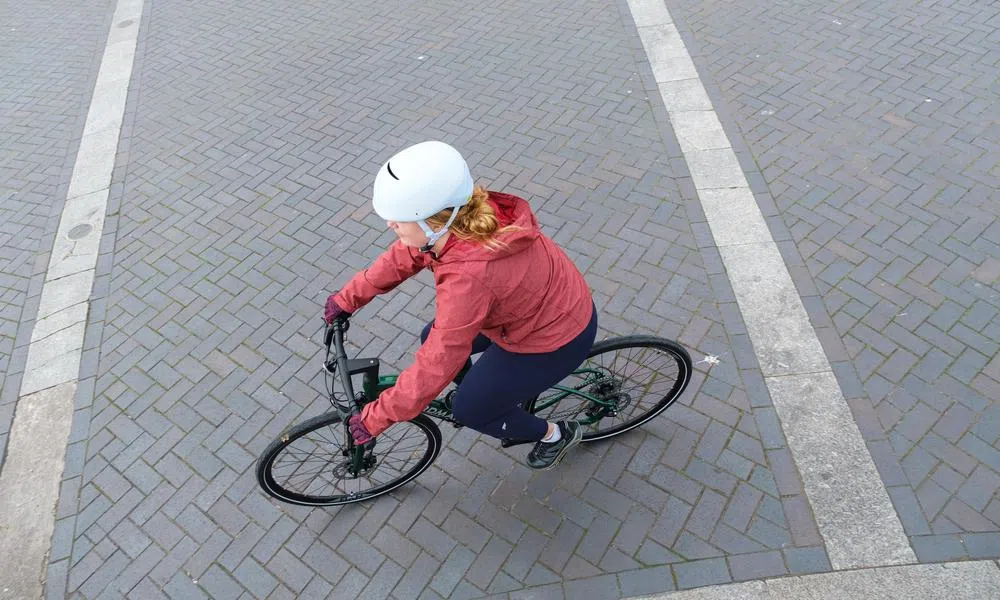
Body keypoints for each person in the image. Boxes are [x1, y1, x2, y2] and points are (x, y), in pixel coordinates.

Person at [325, 140, 597, 470]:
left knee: (471, 411)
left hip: (554, 335)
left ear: (433, 222)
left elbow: (441, 358)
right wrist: (346, 299)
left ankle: (555, 435)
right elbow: (405, 255)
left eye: (398, 219)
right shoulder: (455, 225)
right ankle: (485, 391)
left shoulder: (469, 275)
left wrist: (375, 419)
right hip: (534, 307)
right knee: (431, 337)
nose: (390, 225)